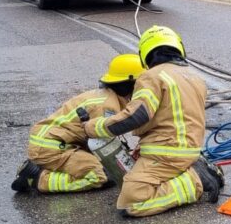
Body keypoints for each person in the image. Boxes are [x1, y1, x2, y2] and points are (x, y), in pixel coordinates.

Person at [83, 26, 224, 217]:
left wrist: (93, 127)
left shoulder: (152, 76)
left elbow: (136, 115)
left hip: (165, 154)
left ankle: (195, 180)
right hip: (187, 151)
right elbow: (173, 117)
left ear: (145, 55)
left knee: (132, 202)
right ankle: (192, 170)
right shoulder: (195, 78)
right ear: (179, 48)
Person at [11, 54, 145, 194]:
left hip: (53, 143)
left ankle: (45, 167)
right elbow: (104, 145)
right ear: (132, 85)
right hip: (52, 148)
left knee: (100, 167)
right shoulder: (107, 107)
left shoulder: (107, 97)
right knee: (98, 176)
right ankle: (36, 179)